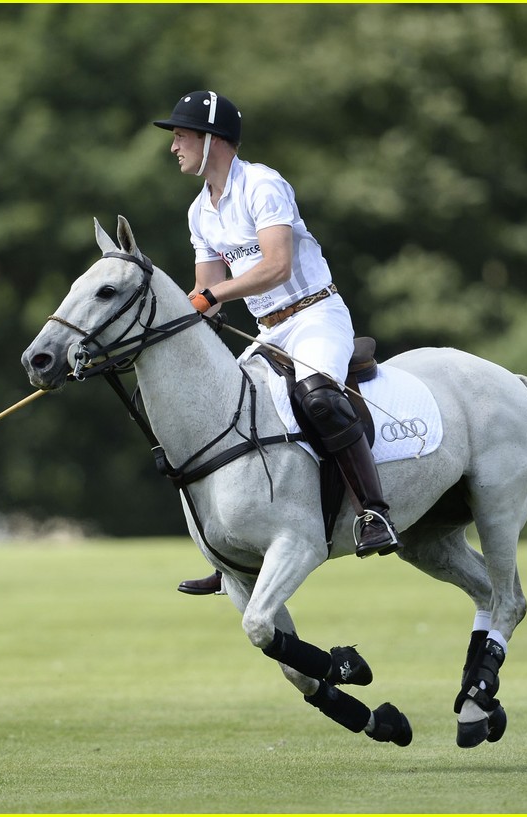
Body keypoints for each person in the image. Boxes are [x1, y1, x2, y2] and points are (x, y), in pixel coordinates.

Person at [153, 90, 401, 597]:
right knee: (222, 410)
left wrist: (210, 296)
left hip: (315, 315)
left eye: (181, 136)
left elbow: (277, 266)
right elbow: (206, 293)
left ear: (212, 139)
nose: (174, 146)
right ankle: (229, 554)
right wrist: (169, 329)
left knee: (319, 396)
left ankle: (374, 513)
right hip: (269, 331)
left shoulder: (262, 185)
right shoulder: (200, 211)